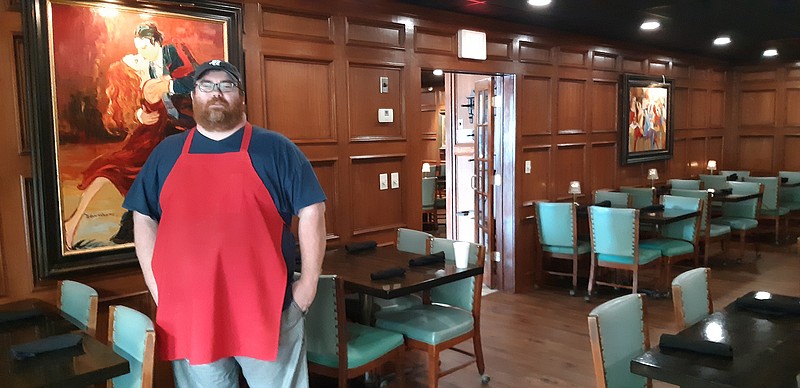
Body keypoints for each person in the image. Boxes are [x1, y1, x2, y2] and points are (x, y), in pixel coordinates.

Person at [123, 59, 326, 388]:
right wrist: (156, 285)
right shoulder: (167, 153)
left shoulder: (277, 149)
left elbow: (312, 211)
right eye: (207, 85)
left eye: (226, 85)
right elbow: (143, 216)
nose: (216, 92)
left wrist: (308, 287)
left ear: (241, 96)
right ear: (193, 96)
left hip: (268, 309)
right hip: (192, 314)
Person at [63, 23, 196, 249]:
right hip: (151, 135)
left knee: (128, 173)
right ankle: (80, 224)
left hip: (174, 129)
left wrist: (170, 85)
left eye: (143, 48)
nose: (139, 54)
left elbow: (198, 77)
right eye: (135, 53)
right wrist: (139, 115)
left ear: (156, 42)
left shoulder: (172, 53)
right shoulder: (148, 79)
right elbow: (135, 104)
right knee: (114, 168)